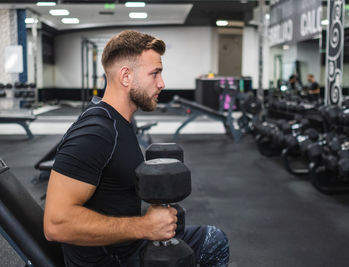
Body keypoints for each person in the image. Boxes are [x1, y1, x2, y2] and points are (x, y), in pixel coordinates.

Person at [43, 30, 229, 267]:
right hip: (112, 260)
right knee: (213, 242)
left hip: (127, 247)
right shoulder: (95, 132)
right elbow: (56, 224)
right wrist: (145, 226)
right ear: (126, 77)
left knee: (213, 239)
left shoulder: (118, 122)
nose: (162, 83)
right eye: (155, 74)